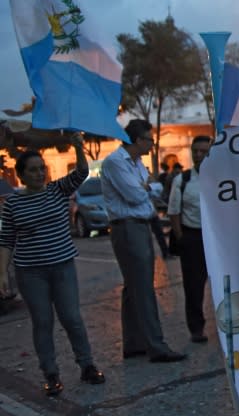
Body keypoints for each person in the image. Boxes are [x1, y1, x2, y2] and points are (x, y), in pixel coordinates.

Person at [0, 134, 105, 396]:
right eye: (32, 170)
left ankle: (87, 365)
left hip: (62, 267)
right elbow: (6, 239)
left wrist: (79, 147)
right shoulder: (13, 202)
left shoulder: (58, 189)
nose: (39, 174)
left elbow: (81, 171)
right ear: (21, 175)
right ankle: (51, 374)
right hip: (30, 272)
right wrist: (1, 271)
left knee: (72, 318)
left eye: (41, 169)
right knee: (42, 321)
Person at [100, 119, 186, 363]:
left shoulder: (137, 163)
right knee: (143, 289)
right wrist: (146, 186)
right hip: (127, 228)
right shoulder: (116, 162)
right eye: (150, 139)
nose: (152, 144)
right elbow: (135, 195)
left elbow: (151, 189)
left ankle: (133, 343)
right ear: (138, 140)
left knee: (133, 287)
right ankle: (157, 346)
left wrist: (146, 186)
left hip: (140, 225)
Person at [167, 135, 212, 343]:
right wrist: (181, 237)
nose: (199, 155)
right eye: (196, 151)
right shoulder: (182, 180)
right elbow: (174, 211)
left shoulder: (222, 178)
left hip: (218, 239)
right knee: (193, 287)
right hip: (193, 237)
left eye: (204, 151)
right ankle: (196, 328)